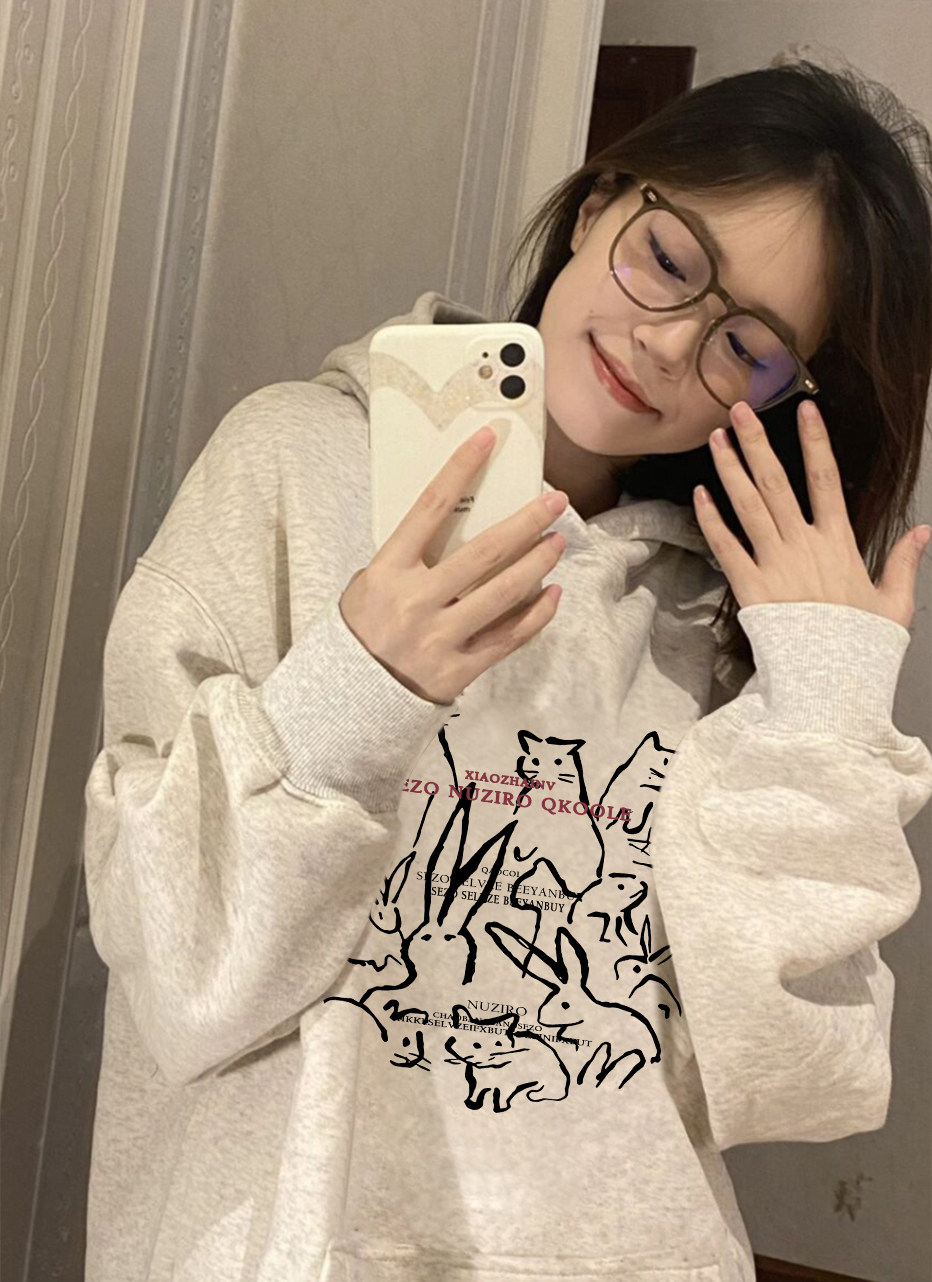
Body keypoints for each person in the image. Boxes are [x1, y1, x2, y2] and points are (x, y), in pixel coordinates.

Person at [82, 59, 932, 1282]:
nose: (666, 341)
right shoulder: (291, 468)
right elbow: (174, 967)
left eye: (743, 346)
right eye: (668, 259)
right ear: (598, 205)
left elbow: (798, 1081)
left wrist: (825, 714)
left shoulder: (722, 620)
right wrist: (357, 686)